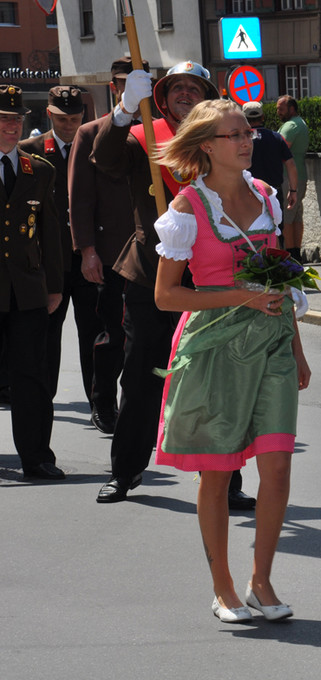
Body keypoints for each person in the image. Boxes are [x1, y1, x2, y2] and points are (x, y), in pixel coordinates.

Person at [152, 99, 310, 623]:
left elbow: (279, 275)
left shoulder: (265, 195)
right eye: (234, 135)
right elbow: (166, 296)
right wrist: (240, 297)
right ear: (206, 146)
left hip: (272, 342)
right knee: (218, 473)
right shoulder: (187, 208)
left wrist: (297, 346)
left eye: (248, 132)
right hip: (216, 346)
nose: (247, 141)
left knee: (278, 466)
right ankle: (222, 587)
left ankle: (261, 580)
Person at [92, 61, 256, 509]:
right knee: (142, 377)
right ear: (161, 98)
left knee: (217, 380)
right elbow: (104, 160)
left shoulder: (225, 139)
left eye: (194, 87)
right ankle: (125, 471)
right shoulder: (143, 134)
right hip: (153, 275)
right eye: (176, 87)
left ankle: (225, 480)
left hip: (213, 281)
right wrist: (123, 111)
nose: (185, 93)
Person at [69, 57, 148, 436]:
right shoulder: (90, 133)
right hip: (112, 252)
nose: (127, 88)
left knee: (150, 337)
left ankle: (147, 407)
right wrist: (87, 250)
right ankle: (103, 401)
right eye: (122, 83)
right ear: (114, 87)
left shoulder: (157, 131)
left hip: (153, 251)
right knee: (113, 334)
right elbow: (80, 197)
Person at [19, 86, 101, 406]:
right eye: (62, 119)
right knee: (48, 333)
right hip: (48, 260)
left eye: (75, 119)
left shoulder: (95, 148)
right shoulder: (30, 151)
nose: (69, 126)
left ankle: (99, 401)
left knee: (93, 331)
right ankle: (44, 399)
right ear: (49, 114)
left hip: (87, 257)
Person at [0, 84, 65, 480]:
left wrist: (54, 285)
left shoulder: (38, 171)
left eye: (17, 119)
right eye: (4, 119)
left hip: (26, 291)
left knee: (32, 377)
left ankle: (37, 456)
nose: (12, 126)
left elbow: (49, 233)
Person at [241, 101, 297, 215]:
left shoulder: (239, 140)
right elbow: (290, 164)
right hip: (273, 193)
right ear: (262, 117)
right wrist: (293, 190)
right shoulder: (277, 137)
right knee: (276, 224)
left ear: (243, 118)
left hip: (248, 193)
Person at [276, 95, 309, 262]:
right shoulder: (299, 123)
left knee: (287, 216)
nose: (278, 112)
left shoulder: (291, 126)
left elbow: (280, 149)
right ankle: (296, 253)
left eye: (281, 109)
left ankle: (290, 254)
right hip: (298, 175)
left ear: (291, 108)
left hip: (289, 176)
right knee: (296, 216)